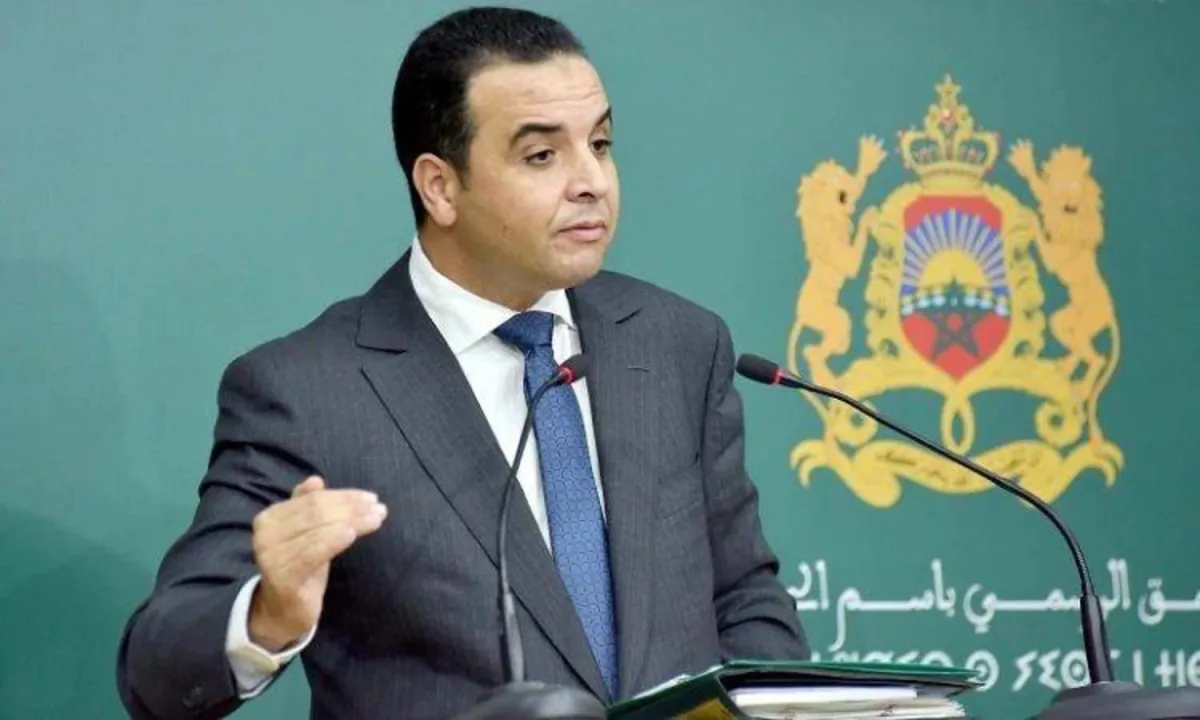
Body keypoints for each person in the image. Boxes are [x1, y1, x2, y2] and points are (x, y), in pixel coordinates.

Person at [116, 6, 809, 718]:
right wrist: (268, 615)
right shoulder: (307, 392)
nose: (593, 181)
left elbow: (744, 599)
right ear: (440, 187)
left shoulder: (677, 345)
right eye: (542, 156)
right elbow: (155, 672)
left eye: (600, 144)